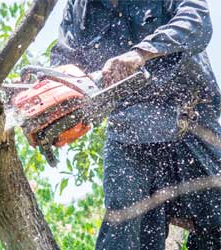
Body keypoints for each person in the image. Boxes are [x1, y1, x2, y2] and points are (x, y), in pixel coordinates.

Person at [51, 0, 221, 249]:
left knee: (217, 225)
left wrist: (141, 53)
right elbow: (63, 63)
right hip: (129, 133)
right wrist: (52, 102)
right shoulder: (80, 8)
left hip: (190, 121)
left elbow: (197, 23)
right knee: (124, 232)